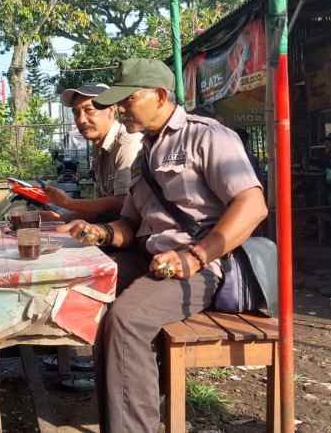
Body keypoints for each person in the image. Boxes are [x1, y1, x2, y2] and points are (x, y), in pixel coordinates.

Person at [57, 59, 268, 433]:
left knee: (127, 319)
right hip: (149, 258)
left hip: (201, 266)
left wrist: (196, 256)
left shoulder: (207, 137)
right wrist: (99, 233)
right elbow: (129, 224)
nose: (121, 109)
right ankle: (119, 419)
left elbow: (252, 205)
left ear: (158, 95)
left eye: (128, 99)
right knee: (88, 292)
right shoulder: (145, 154)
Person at [44, 83, 143, 223]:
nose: (81, 120)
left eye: (89, 110)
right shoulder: (99, 147)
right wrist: (57, 219)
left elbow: (124, 203)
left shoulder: (128, 143)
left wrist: (68, 203)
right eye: (76, 113)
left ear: (111, 110)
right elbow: (101, 211)